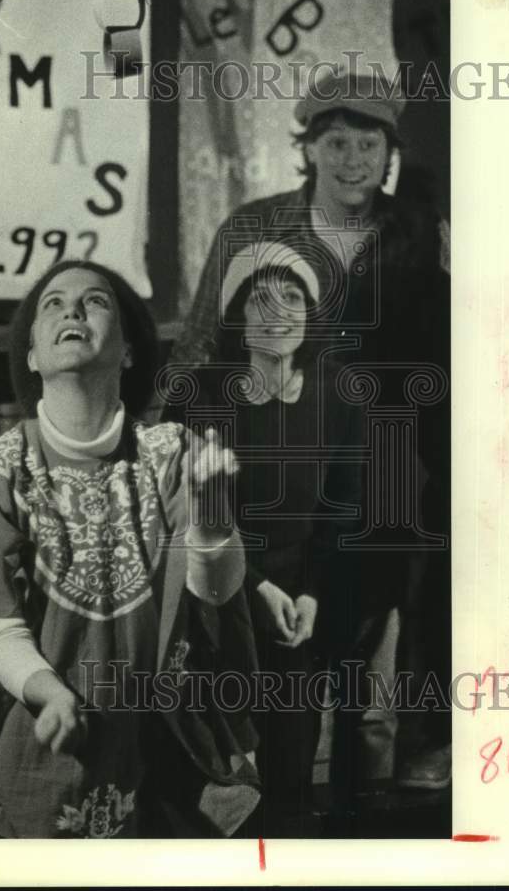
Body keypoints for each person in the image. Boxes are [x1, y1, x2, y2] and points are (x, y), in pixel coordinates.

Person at [0, 259, 260, 838]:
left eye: (96, 302)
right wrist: (50, 696)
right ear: (34, 357)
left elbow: (213, 596)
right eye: (53, 303)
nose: (72, 309)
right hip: (35, 745)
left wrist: (214, 525)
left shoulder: (173, 455)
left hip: (157, 752)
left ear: (128, 351)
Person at [171, 67, 452, 796]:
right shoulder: (256, 227)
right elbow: (201, 346)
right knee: (266, 658)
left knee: (370, 661)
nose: (353, 159)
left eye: (369, 142)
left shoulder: (419, 233)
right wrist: (168, 446)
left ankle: (367, 814)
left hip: (386, 470)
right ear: (309, 148)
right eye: (336, 141)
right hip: (273, 469)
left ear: (389, 151)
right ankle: (266, 810)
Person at [162, 241, 379, 834]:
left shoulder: (338, 394)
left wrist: (309, 594)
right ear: (237, 316)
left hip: (297, 607)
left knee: (288, 768)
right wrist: (254, 586)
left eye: (292, 298)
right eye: (261, 300)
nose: (279, 312)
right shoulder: (200, 394)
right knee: (214, 775)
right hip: (213, 594)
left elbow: (341, 510)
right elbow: (182, 512)